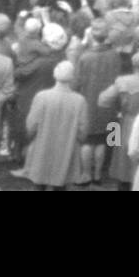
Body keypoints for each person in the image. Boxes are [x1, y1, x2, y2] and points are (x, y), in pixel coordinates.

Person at [21, 59, 88, 190]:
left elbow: (31, 125)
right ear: (72, 77)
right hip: (67, 148)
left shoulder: (41, 96)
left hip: (42, 146)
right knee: (61, 183)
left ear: (54, 74)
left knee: (38, 184)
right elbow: (82, 130)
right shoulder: (79, 100)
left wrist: (31, 138)